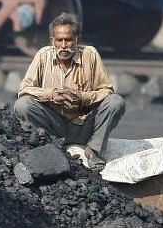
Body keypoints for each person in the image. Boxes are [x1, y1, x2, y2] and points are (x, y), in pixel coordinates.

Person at [12, 13, 125, 172]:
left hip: (85, 126)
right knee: (23, 105)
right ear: (52, 40)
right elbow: (24, 90)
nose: (64, 45)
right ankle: (50, 147)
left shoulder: (90, 54)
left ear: (77, 39)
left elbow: (107, 90)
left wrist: (83, 98)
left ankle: (93, 151)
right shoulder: (43, 56)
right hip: (54, 126)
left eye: (68, 40)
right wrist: (51, 95)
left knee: (116, 102)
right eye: (59, 40)